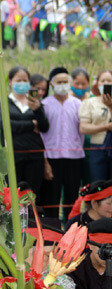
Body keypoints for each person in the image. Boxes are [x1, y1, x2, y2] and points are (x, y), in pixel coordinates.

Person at [79, 70, 112, 216]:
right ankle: (97, 219)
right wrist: (104, 127)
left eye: (109, 81)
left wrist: (111, 106)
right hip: (97, 148)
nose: (106, 84)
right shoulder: (89, 103)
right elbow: (84, 127)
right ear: (97, 84)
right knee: (98, 186)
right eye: (102, 81)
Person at [39, 66, 84, 219]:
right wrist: (45, 162)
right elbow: (41, 135)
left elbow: (81, 131)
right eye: (59, 82)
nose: (63, 85)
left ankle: (71, 230)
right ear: (52, 84)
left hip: (74, 157)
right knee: (51, 198)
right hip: (52, 159)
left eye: (66, 81)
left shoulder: (77, 104)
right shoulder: (44, 105)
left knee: (72, 198)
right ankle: (52, 232)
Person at [2, 66, 49, 196]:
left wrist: (38, 110)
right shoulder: (4, 103)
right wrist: (31, 124)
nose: (22, 83)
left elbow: (44, 127)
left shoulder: (35, 103)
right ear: (10, 82)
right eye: (18, 80)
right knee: (11, 195)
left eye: (25, 80)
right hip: (12, 157)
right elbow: (6, 125)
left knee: (32, 195)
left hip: (34, 156)